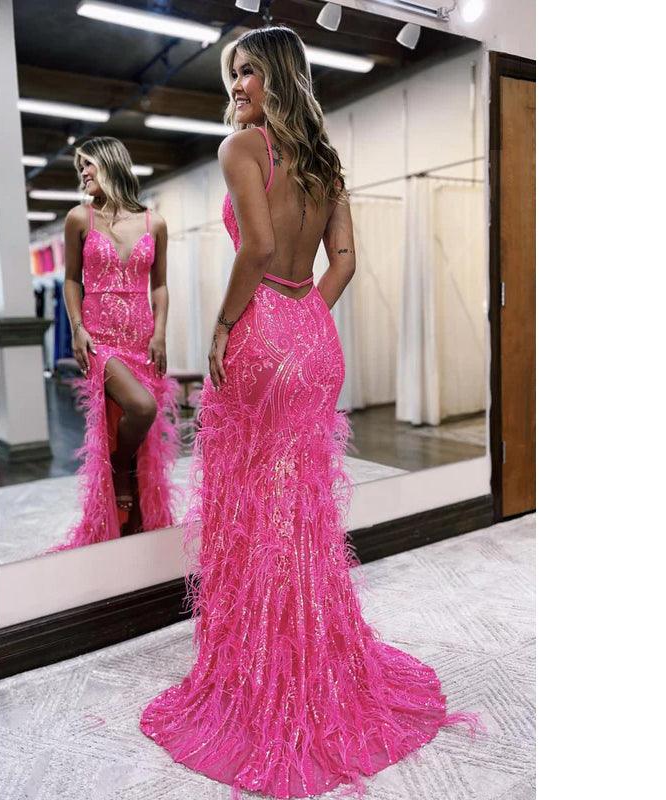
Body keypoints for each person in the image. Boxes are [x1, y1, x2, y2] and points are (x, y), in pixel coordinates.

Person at [140, 26, 481, 798]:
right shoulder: (325, 161)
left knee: (252, 502)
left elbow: (257, 248)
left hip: (262, 333)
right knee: (299, 504)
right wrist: (306, 317)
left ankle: (267, 666)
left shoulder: (241, 149)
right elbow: (345, 259)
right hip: (313, 337)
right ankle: (307, 652)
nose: (236, 86)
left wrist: (226, 325)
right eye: (232, 75)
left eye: (247, 72)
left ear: (279, 76)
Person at [53, 137, 180, 548]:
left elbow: (159, 285)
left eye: (87, 164)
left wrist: (160, 333)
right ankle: (119, 467)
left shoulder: (154, 223)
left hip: (141, 340)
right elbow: (71, 280)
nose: (82, 173)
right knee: (141, 407)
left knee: (140, 426)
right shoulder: (79, 218)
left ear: (110, 163)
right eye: (80, 168)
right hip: (99, 340)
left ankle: (135, 530)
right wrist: (77, 327)